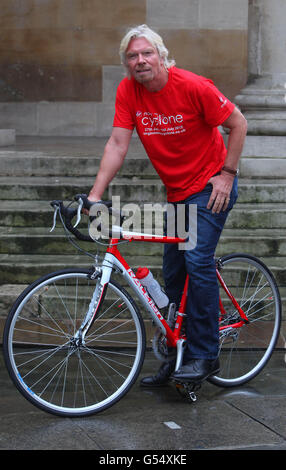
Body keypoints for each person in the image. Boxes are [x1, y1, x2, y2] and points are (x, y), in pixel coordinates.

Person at [87, 24, 247, 386]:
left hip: (210, 187)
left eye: (147, 53)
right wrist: (94, 195)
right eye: (132, 56)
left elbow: (238, 122)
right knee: (174, 275)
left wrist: (228, 173)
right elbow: (117, 143)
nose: (140, 60)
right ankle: (180, 354)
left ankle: (205, 355)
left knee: (195, 260)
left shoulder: (193, 86)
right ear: (127, 64)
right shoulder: (129, 90)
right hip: (178, 193)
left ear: (161, 56)